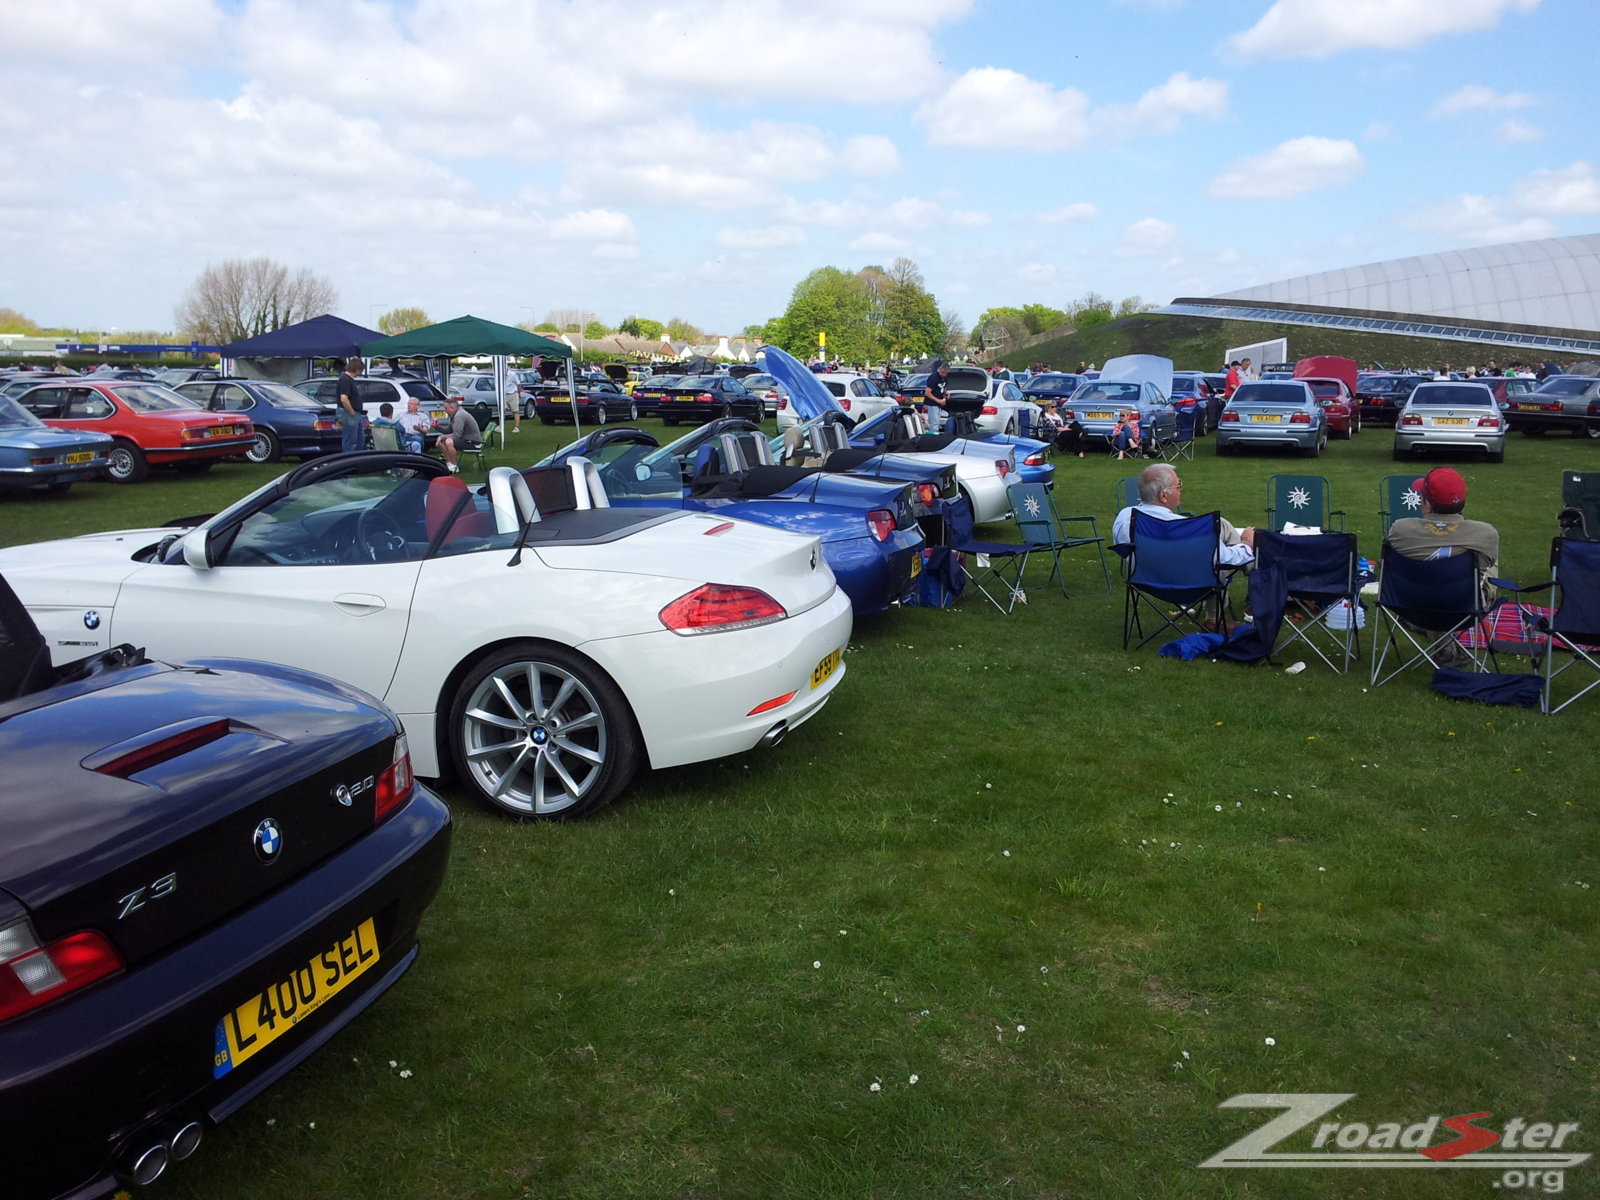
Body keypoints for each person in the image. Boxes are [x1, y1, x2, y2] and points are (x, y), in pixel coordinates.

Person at [1384, 467, 1500, 605]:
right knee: (1489, 562)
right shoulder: (1486, 533)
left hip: (1410, 610)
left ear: (1427, 504)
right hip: (1465, 613)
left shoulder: (1400, 530)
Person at [435, 396, 482, 474]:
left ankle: (454, 466)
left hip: (473, 442)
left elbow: (456, 435)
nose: (444, 410)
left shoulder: (459, 416)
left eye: (446, 408)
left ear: (452, 408)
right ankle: (449, 463)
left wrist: (441, 437)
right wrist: (437, 427)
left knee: (449, 441)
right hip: (465, 439)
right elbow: (448, 430)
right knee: (442, 441)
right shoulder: (454, 415)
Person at [335, 357, 365, 454]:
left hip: (355, 413)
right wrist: (352, 412)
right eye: (361, 370)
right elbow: (344, 398)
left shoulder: (349, 380)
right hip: (349, 414)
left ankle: (357, 460)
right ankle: (348, 461)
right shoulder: (345, 380)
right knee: (350, 441)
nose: (360, 373)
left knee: (359, 439)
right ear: (357, 369)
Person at [923, 359, 950, 429]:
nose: (943, 375)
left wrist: (946, 393)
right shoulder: (933, 377)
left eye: (945, 374)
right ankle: (932, 438)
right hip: (932, 403)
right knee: (934, 423)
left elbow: (944, 387)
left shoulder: (945, 378)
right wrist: (938, 400)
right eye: (942, 373)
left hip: (939, 403)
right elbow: (927, 392)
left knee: (937, 422)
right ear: (940, 369)